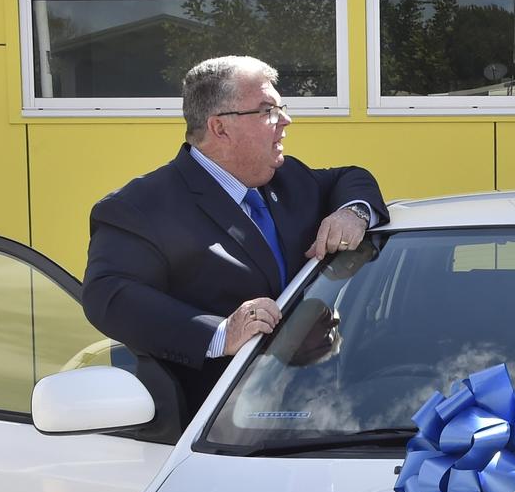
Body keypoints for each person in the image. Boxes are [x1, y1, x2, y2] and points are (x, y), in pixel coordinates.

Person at [83, 55, 388, 420]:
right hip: (224, 430)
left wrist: (353, 212)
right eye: (268, 110)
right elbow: (109, 295)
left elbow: (350, 177)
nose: (286, 120)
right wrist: (220, 334)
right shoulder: (140, 208)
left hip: (330, 413)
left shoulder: (289, 179)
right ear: (220, 127)